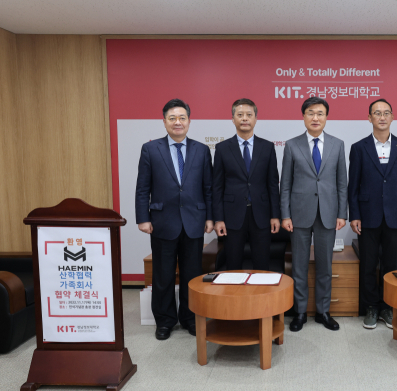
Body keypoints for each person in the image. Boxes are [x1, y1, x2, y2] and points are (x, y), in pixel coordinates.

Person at [135, 99, 213, 340]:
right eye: (172, 118)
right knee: (163, 274)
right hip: (162, 221)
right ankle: (165, 321)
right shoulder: (150, 149)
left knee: (192, 274)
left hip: (194, 221)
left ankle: (190, 318)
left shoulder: (201, 150)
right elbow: (142, 188)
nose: (177, 122)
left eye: (182, 118)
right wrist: (142, 218)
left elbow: (208, 188)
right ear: (164, 121)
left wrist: (210, 217)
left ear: (189, 121)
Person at [280, 97, 347, 332]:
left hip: (328, 213)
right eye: (311, 113)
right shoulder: (292, 145)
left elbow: (341, 183)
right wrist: (285, 215)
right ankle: (299, 312)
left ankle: (323, 311)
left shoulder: (338, 145)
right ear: (303, 116)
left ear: (327, 117)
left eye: (320, 113)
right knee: (299, 266)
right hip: (298, 215)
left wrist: (342, 213)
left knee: (324, 266)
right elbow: (285, 184)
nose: (315, 117)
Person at [348, 99, 397, 330]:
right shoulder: (359, 148)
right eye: (377, 113)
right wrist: (354, 214)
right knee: (368, 264)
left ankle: (388, 307)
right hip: (367, 215)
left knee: (392, 265)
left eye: (386, 113)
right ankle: (371, 307)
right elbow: (353, 186)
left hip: (396, 216)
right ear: (369, 118)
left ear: (392, 117)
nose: (382, 117)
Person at [212, 99, 281, 270]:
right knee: (233, 263)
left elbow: (273, 184)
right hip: (232, 215)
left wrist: (275, 215)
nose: (244, 119)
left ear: (255, 119)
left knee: (262, 263)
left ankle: (261, 296)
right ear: (233, 119)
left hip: (261, 214)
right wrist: (218, 219)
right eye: (240, 115)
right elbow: (217, 187)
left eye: (249, 115)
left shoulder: (267, 147)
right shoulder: (222, 148)